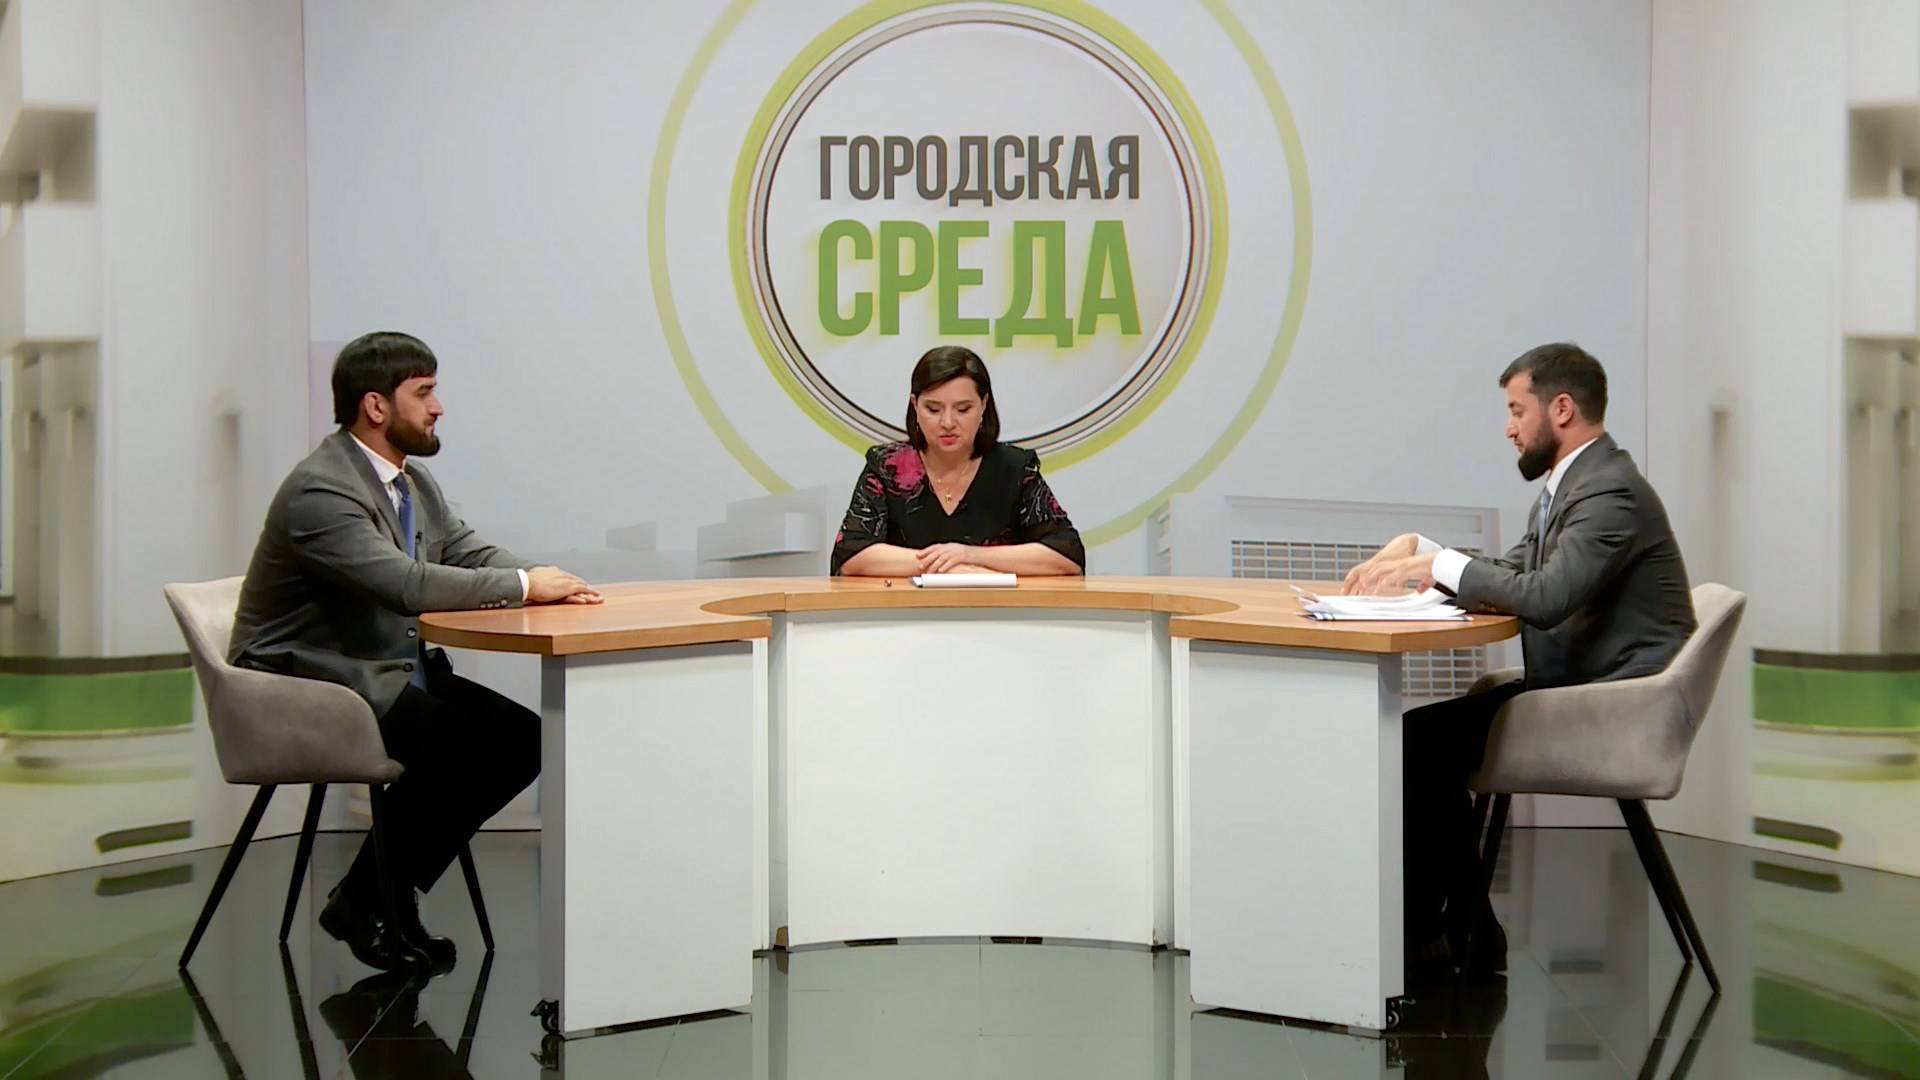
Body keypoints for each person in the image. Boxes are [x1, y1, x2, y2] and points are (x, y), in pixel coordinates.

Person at [229, 331, 602, 973]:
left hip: (376, 669)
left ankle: (376, 896)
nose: (439, 407)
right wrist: (522, 587)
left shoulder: (410, 480)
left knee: (520, 740)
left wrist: (549, 580)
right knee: (461, 749)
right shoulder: (320, 491)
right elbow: (403, 585)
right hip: (306, 686)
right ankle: (373, 900)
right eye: (424, 392)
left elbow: (467, 551)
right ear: (376, 406)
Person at [1344, 342, 1695, 981]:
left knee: (1419, 745)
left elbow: (1546, 597)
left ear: (1560, 409)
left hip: (1615, 707)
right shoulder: (1578, 485)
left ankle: (1441, 935)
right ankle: (1460, 929)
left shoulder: (1608, 491)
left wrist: (1436, 564)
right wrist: (1422, 550)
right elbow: (1517, 570)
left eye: (1515, 410)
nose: (1509, 428)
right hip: (1583, 686)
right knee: (1422, 740)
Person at [830, 346, 1085, 577]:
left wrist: (971, 555)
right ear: (915, 406)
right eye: (933, 409)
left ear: (983, 405)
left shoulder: (1015, 469)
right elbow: (852, 554)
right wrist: (951, 568)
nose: (948, 422)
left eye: (963, 409)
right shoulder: (887, 466)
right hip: (903, 611)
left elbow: (1066, 554)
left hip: (995, 611)